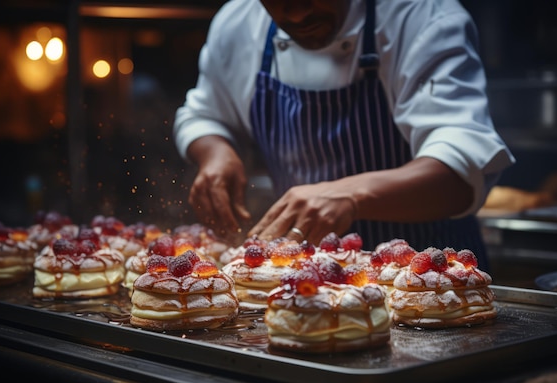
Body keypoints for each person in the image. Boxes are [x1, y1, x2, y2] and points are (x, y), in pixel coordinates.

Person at [173, 0, 515, 270]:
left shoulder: (422, 16)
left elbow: (458, 174)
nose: (297, 10)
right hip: (302, 283)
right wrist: (215, 152)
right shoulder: (238, 22)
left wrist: (350, 195)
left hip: (428, 283)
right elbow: (203, 116)